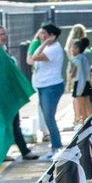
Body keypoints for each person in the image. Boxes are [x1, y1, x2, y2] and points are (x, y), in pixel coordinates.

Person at [0, 25, 39, 161]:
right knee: (5, 124)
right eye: (0, 34)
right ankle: (6, 153)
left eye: (4, 34)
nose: (3, 37)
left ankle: (22, 151)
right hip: (0, 96)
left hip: (8, 95)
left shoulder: (2, 51)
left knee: (14, 123)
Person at [29, 23, 66, 160]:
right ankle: (55, 147)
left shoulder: (54, 48)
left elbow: (35, 57)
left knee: (50, 118)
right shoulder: (48, 47)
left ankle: (57, 148)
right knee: (47, 118)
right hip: (43, 86)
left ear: (52, 36)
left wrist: (44, 43)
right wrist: (38, 41)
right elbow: (30, 59)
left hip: (51, 86)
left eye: (44, 33)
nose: (40, 35)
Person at [69, 36, 92, 125]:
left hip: (79, 83)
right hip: (86, 82)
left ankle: (84, 122)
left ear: (78, 49)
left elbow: (73, 73)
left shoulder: (75, 59)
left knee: (80, 104)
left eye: (73, 48)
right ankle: (91, 121)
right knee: (87, 103)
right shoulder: (84, 57)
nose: (71, 49)